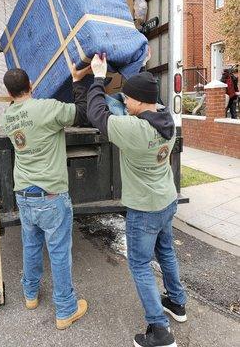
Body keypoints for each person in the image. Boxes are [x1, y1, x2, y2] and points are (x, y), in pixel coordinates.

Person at [87, 54, 186, 347]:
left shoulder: (133, 129)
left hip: (144, 208)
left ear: (140, 103)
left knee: (140, 264)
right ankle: (177, 303)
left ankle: (160, 331)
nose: (124, 102)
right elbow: (136, 97)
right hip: (167, 200)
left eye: (128, 98)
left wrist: (97, 77)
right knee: (166, 251)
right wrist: (138, 68)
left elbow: (97, 113)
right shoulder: (167, 117)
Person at [2, 65, 90, 330]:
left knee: (31, 245)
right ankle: (65, 310)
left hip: (24, 195)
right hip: (50, 194)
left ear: (8, 93)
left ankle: (30, 295)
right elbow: (82, 113)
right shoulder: (47, 108)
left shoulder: (8, 117)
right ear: (31, 85)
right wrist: (76, 80)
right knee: (59, 251)